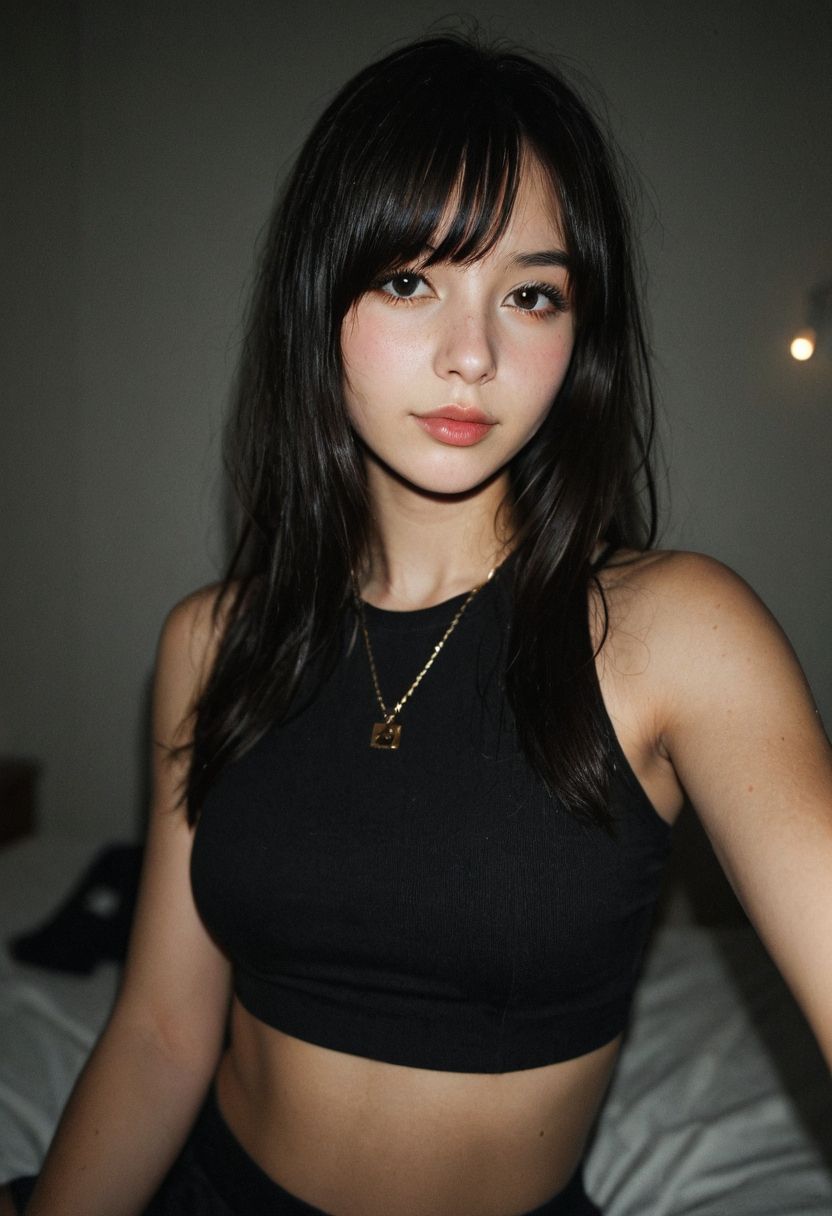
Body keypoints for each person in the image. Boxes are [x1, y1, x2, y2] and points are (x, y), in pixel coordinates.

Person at [4, 32, 831, 1216]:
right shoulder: (210, 641)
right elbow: (160, 1034)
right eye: (409, 281)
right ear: (318, 298)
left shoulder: (676, 632)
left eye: (530, 295)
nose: (472, 356)